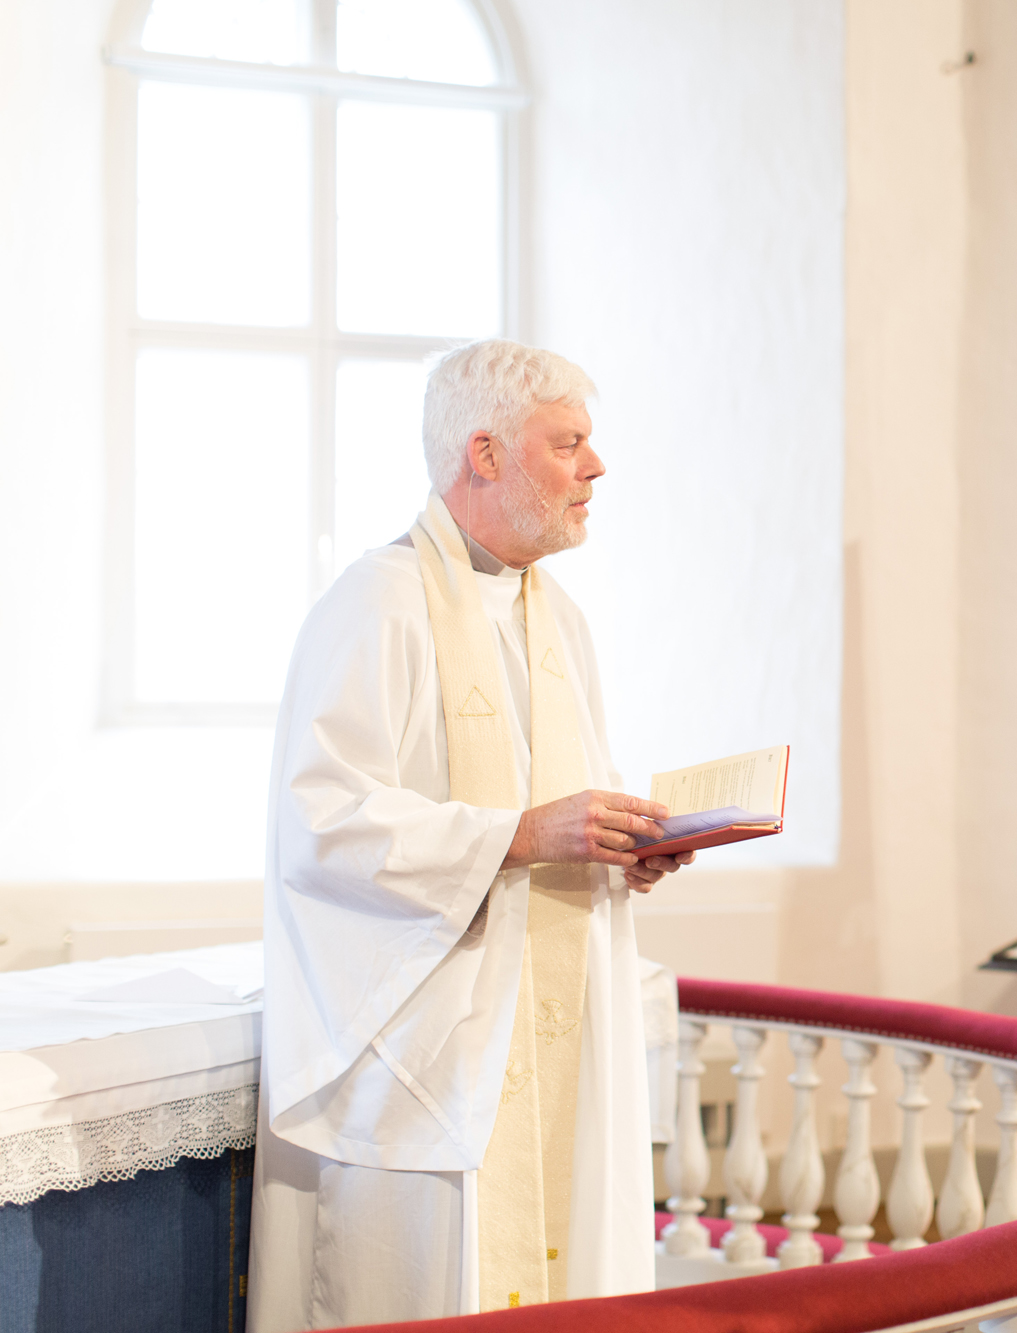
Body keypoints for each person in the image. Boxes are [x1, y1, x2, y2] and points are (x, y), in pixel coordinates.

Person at [247, 339, 692, 1330]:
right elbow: (321, 826)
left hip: (550, 1018)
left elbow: (562, 810)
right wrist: (522, 835)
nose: (597, 467)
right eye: (568, 443)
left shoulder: (559, 618)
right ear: (483, 453)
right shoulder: (377, 603)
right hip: (431, 1052)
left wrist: (626, 848)